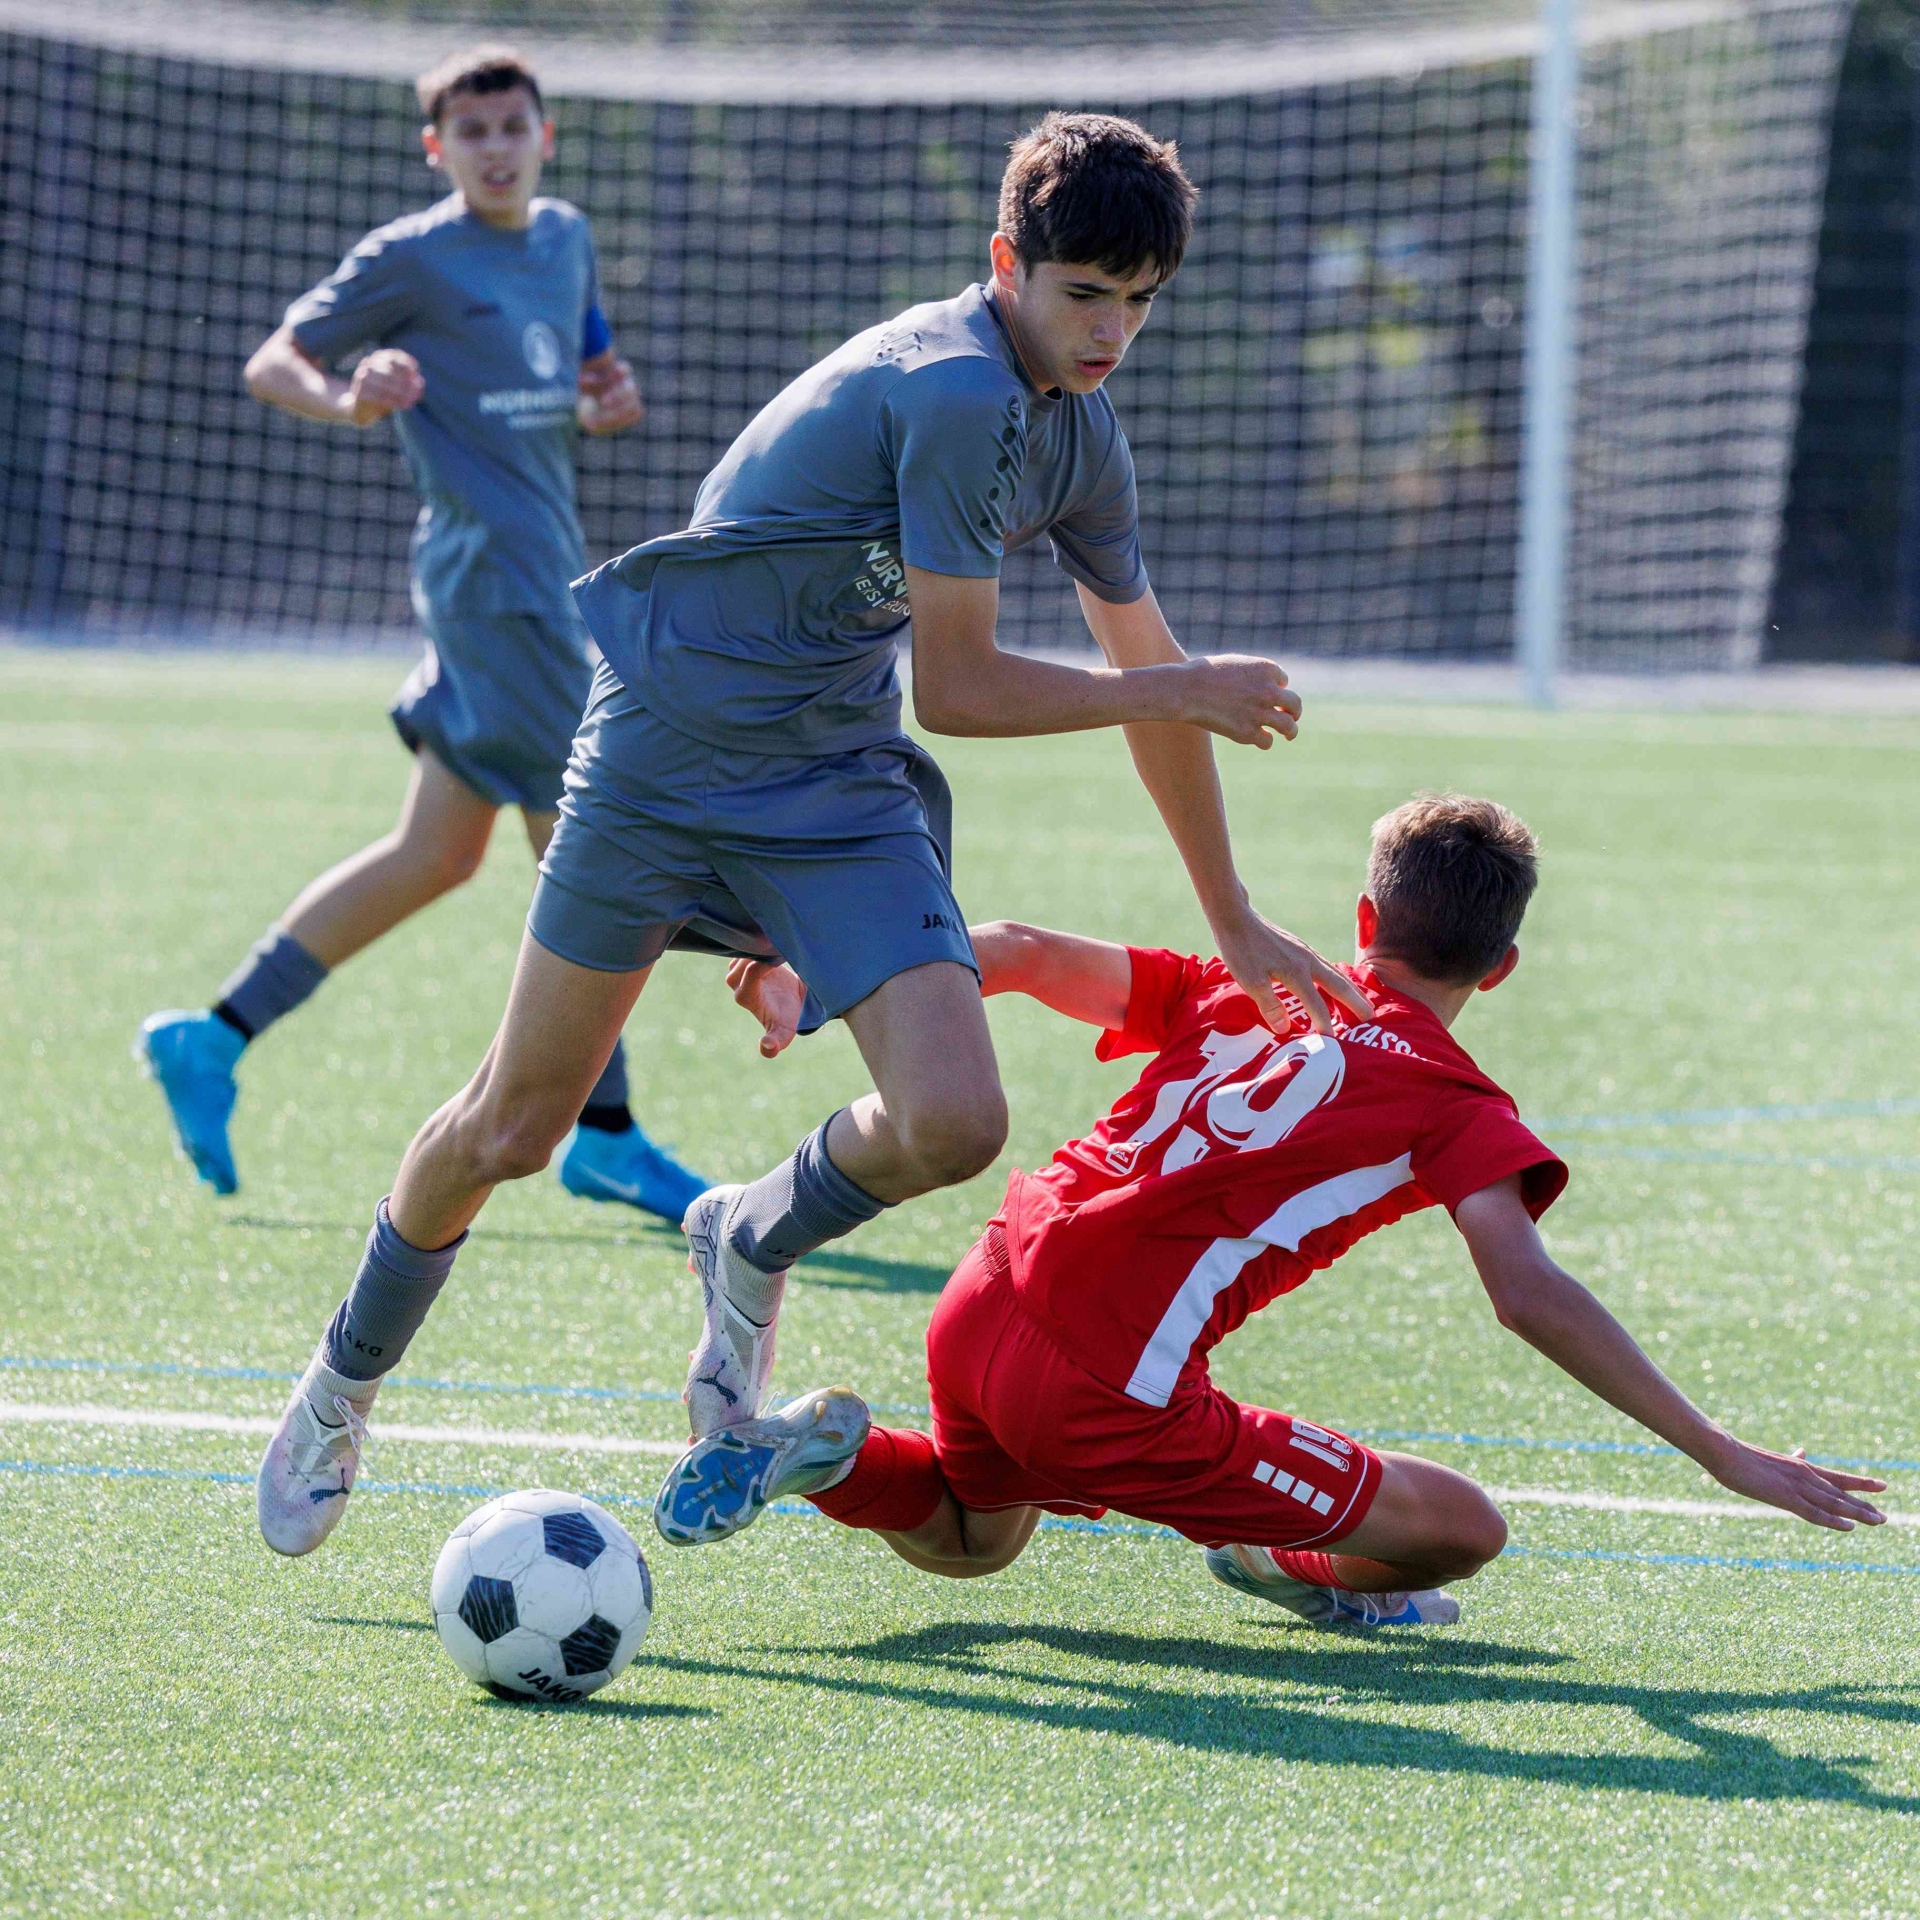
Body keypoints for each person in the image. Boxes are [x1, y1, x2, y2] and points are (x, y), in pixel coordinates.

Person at [252, 110, 1374, 1559]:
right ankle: (341, 1384)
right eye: (1084, 293)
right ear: (1006, 264)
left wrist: (1230, 912)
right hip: (660, 755)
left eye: (1140, 302)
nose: (1111, 333)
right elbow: (964, 690)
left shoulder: (1081, 436)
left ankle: (748, 1233)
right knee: (513, 1127)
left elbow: (1144, 660)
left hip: (832, 780)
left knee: (954, 1121)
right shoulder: (954, 387)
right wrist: (1173, 686)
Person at [655, 794, 1887, 1629]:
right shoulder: (1456, 1102)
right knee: (1463, 1530)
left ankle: (824, 1455)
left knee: (977, 1538)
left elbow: (1017, 948)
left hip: (983, 1290)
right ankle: (1285, 1559)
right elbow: (1527, 1292)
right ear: (1501, 968)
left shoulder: (1253, 984)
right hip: (1105, 1383)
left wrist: (824, 978)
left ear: (1364, 924)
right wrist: (1717, 1449)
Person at [135, 44, 706, 1224]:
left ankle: (212, 1035)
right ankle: (605, 1134)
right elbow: (273, 363)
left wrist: (607, 401)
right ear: (437, 149)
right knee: (591, 856)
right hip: (495, 591)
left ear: (545, 137)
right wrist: (350, 397)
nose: (496, 149)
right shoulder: (409, 258)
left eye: (514, 127)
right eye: (472, 132)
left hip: (541, 578)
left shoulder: (566, 239)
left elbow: (586, 374)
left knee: (438, 853)